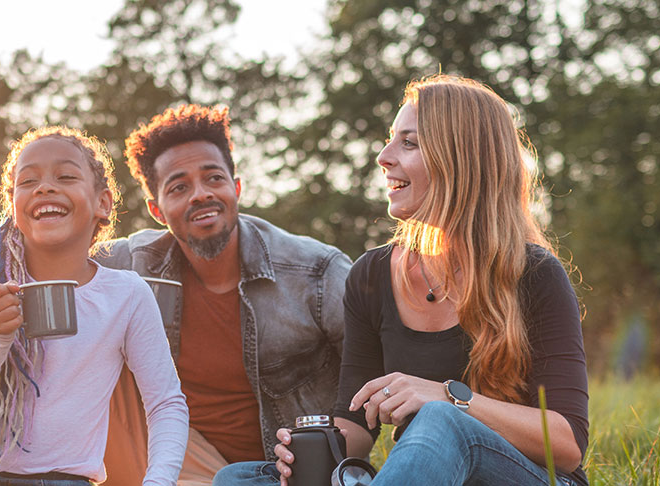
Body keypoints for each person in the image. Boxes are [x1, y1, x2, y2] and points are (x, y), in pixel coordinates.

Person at [214, 74, 590, 486]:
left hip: (530, 476)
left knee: (440, 421)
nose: (384, 156)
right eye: (391, 139)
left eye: (408, 143)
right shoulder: (371, 275)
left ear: (460, 159)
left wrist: (449, 398)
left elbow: (567, 444)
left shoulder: (534, 273)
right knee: (241, 478)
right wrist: (313, 449)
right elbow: (356, 424)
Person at [98, 105, 352, 484]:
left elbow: (378, 365)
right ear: (156, 209)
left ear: (235, 187)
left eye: (213, 178)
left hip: (281, 471)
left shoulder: (315, 272)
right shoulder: (133, 262)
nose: (200, 195)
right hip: (181, 459)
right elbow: (59, 258)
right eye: (179, 187)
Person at [0, 127, 189, 486]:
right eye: (28, 181)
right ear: (13, 204)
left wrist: (158, 481)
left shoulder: (125, 295)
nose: (44, 188)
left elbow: (166, 404)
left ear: (103, 203)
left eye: (66, 176)